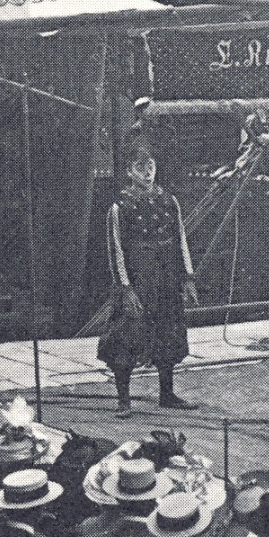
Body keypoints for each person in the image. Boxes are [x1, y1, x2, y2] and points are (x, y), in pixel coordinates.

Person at [99, 140, 198, 415]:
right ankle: (124, 400)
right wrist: (125, 288)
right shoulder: (120, 207)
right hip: (138, 279)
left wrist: (188, 278)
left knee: (168, 333)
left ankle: (167, 394)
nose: (147, 172)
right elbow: (116, 250)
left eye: (151, 166)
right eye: (140, 167)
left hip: (166, 277)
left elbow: (181, 241)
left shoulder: (169, 201)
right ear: (129, 171)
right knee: (127, 337)